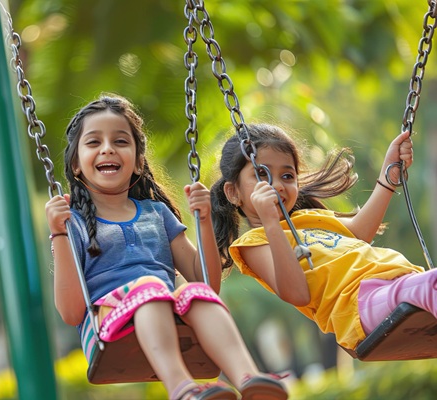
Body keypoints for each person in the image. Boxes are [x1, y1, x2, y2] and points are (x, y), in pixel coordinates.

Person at [45, 95, 289, 400]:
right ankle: (181, 389)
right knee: (150, 286)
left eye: (120, 141)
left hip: (162, 308)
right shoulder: (74, 223)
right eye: (94, 142)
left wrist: (203, 220)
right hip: (107, 323)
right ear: (76, 164)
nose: (107, 148)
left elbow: (207, 284)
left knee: (194, 294)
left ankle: (248, 378)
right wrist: (59, 233)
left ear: (138, 161)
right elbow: (71, 313)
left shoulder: (157, 214)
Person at [210, 123, 437, 354]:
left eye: (287, 176)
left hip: (399, 280)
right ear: (233, 193)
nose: (277, 185)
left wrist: (389, 173)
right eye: (262, 174)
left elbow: (360, 233)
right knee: (431, 284)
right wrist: (270, 223)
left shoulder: (308, 219)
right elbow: (297, 294)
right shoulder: (255, 243)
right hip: (359, 303)